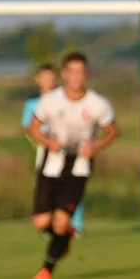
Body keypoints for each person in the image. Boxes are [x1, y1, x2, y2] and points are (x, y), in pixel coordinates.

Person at [25, 53, 119, 279]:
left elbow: (112, 131)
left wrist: (96, 145)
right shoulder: (50, 101)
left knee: (61, 220)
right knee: (41, 222)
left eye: (81, 71)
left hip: (78, 167)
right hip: (51, 164)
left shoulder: (97, 104)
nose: (77, 76)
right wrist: (48, 142)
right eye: (73, 71)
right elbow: (33, 128)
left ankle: (46, 270)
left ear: (87, 74)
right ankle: (63, 237)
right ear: (64, 74)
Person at [22, 64, 87, 236]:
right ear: (37, 79)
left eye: (50, 77)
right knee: (48, 189)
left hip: (69, 149)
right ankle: (50, 226)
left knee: (72, 185)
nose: (47, 80)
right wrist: (43, 138)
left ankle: (75, 225)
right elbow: (27, 127)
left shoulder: (64, 99)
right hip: (46, 151)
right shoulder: (33, 103)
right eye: (44, 77)